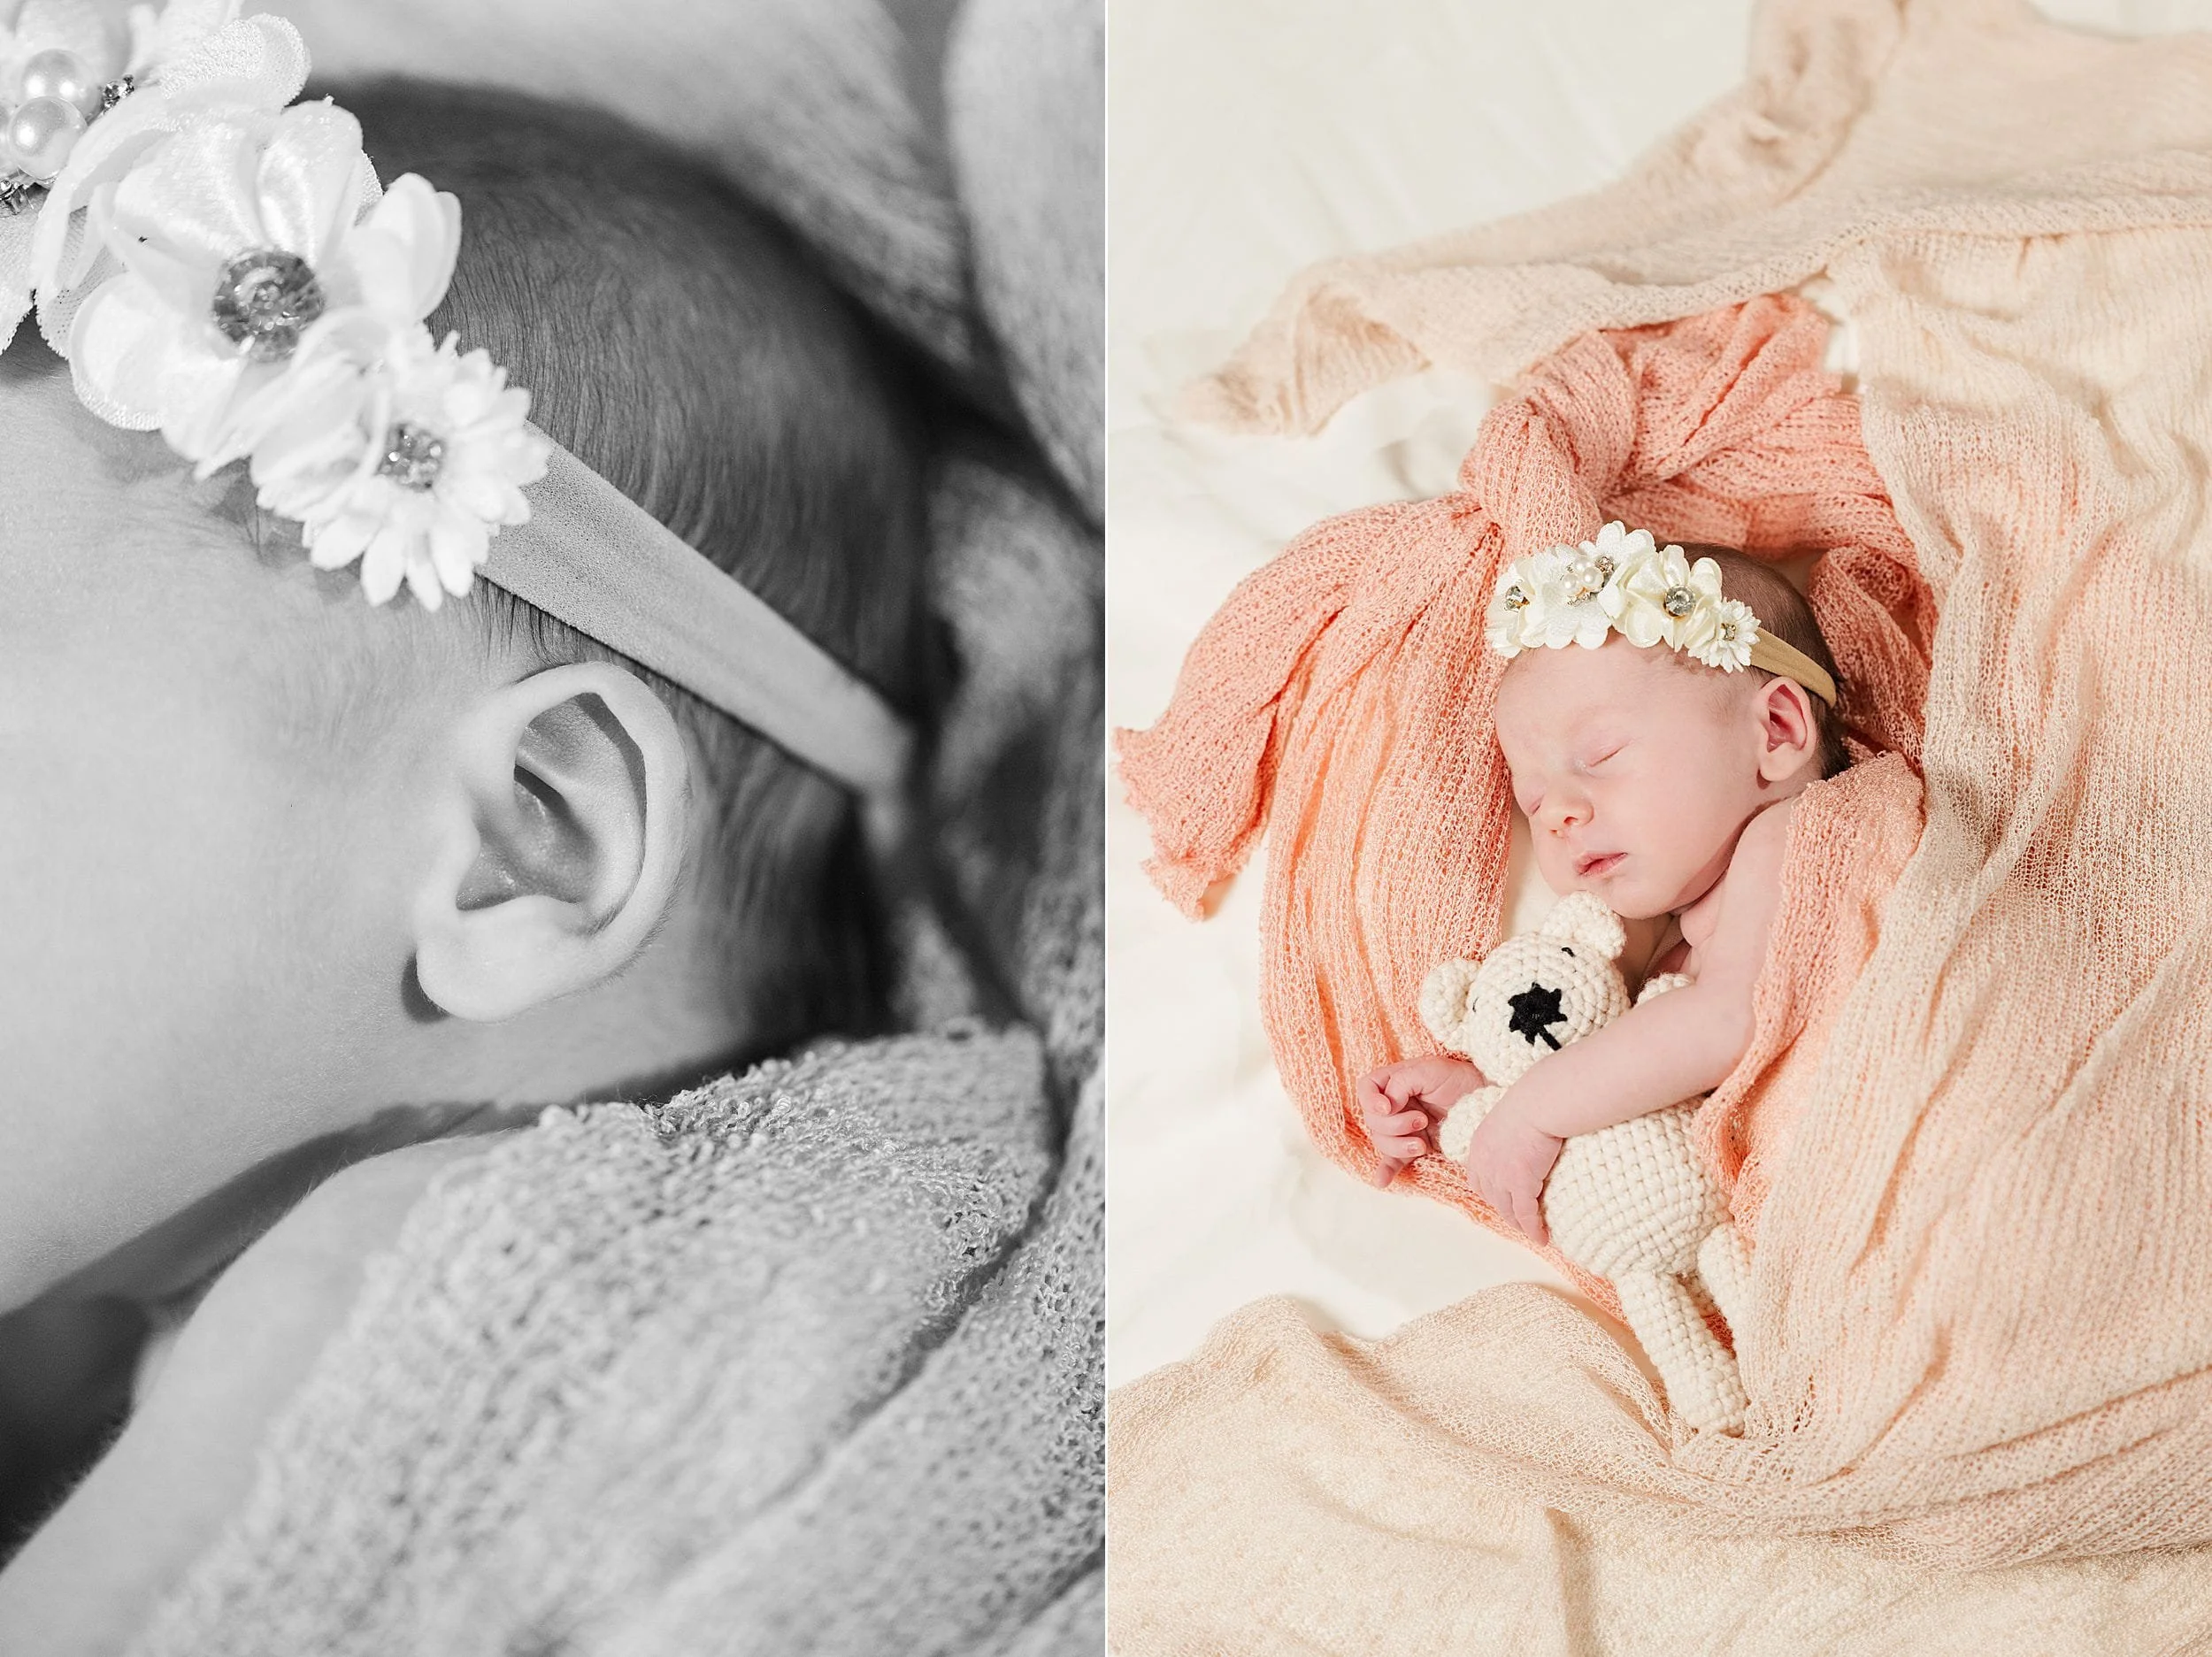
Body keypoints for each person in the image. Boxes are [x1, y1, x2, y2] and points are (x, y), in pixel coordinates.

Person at [1356, 527, 1849, 1245]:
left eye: (1602, 755)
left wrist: (1533, 1108)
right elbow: (1650, 1104)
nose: (1557, 812)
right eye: (1531, 798)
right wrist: (1482, 1104)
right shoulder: (1671, 945)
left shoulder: (1800, 835)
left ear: (1775, 730)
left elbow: (1725, 1025)